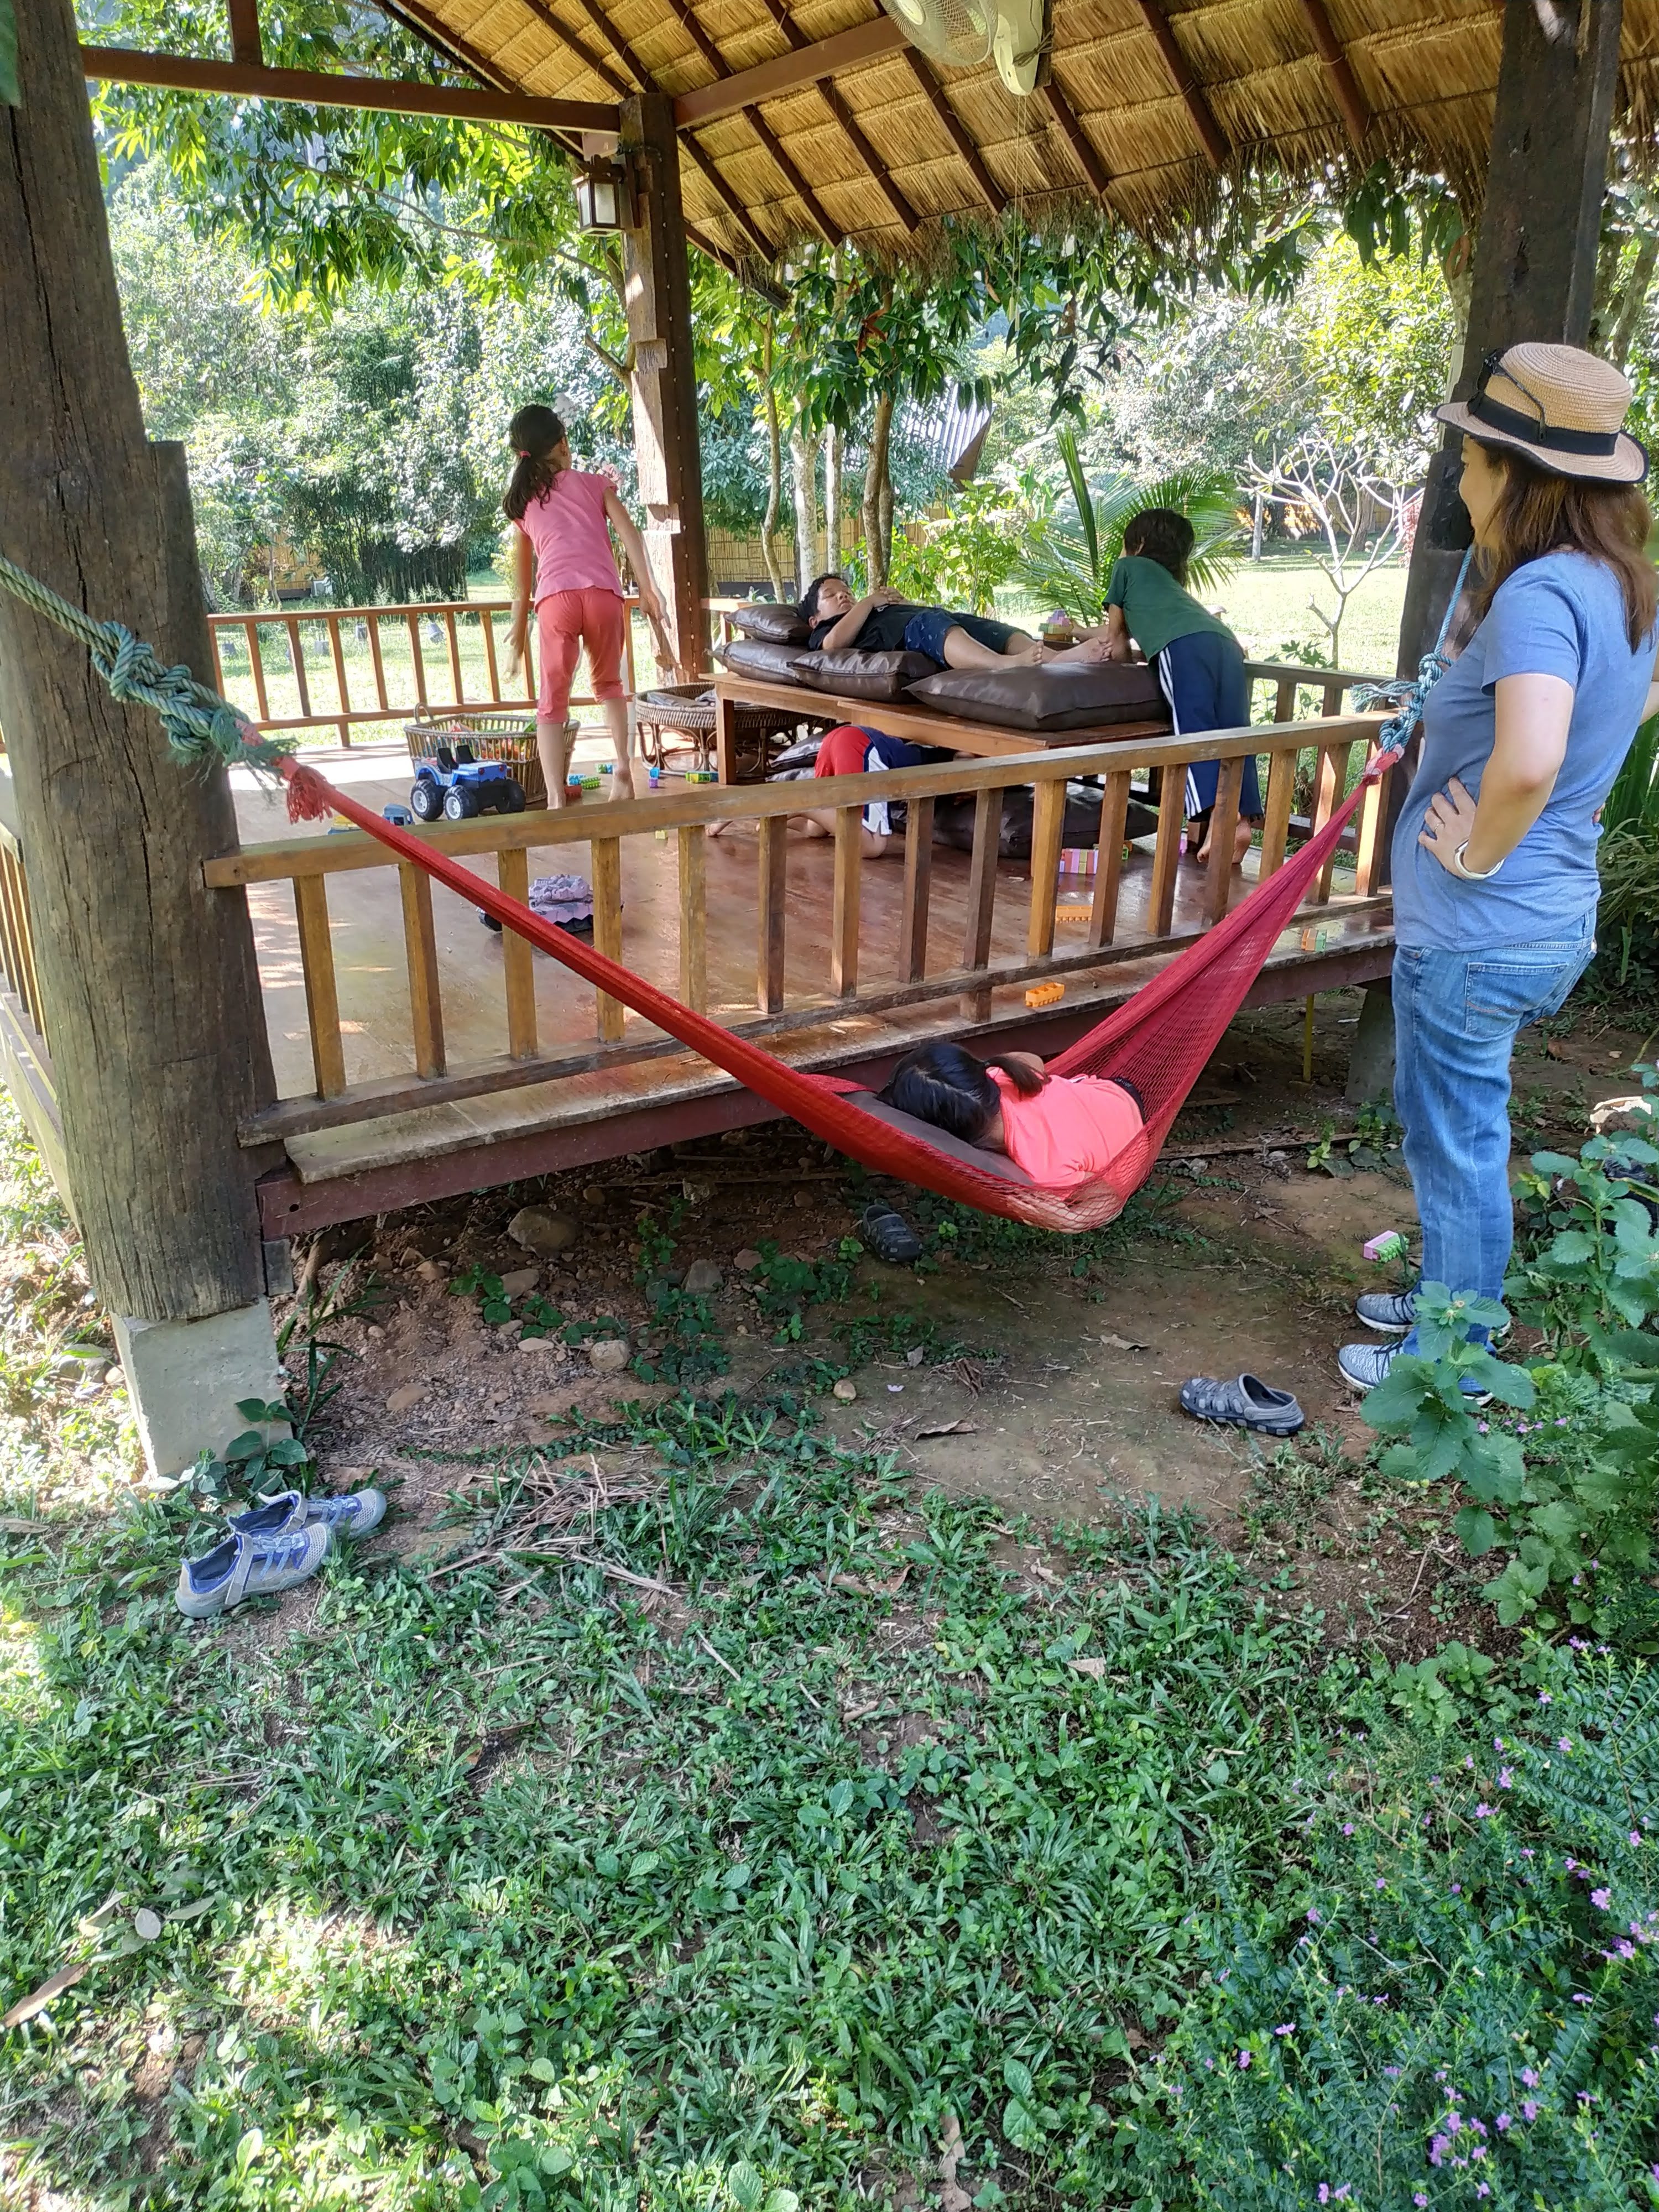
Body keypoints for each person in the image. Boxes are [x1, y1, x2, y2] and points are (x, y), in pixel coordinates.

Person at [1338, 342, 1659, 1392]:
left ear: (1514, 476)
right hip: (1548, 916)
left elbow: (1529, 756)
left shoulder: (1537, 596)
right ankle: (1452, 1292)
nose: (1460, 478)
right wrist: (1579, 787)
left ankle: (1453, 1358)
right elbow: (1626, 708)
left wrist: (1475, 852)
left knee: (1458, 1143)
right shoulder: (1620, 583)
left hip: (1480, 931)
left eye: (1469, 460)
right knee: (1467, 1129)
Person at [502, 404, 667, 804]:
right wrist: (648, 589)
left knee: (551, 705)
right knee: (610, 685)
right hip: (603, 596)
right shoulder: (595, 485)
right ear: (561, 443)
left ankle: (556, 796)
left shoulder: (523, 504)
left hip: (556, 600)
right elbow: (632, 537)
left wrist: (518, 633)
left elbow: (523, 583)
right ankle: (623, 771)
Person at [1099, 509, 1261, 866]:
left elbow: (1116, 641)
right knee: (1236, 730)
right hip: (1226, 644)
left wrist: (1120, 670)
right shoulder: (1171, 587)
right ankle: (1243, 818)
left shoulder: (1125, 569)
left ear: (1137, 545)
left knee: (1193, 730)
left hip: (1183, 646)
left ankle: (1222, 815)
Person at [879, 1040, 1145, 1194]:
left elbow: (1106, 1195)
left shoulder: (1043, 1169)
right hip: (1119, 1095)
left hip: (1135, 1150)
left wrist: (1057, 1216)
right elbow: (1033, 1060)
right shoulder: (1003, 1077)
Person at [800, 574, 1109, 670]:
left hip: (924, 619)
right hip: (915, 630)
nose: (843, 597)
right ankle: (1003, 665)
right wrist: (868, 601)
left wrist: (899, 604)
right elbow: (832, 646)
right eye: (831, 595)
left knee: (991, 628)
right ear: (815, 619)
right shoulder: (826, 631)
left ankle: (1058, 658)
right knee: (931, 622)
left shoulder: (870, 611)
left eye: (847, 592)